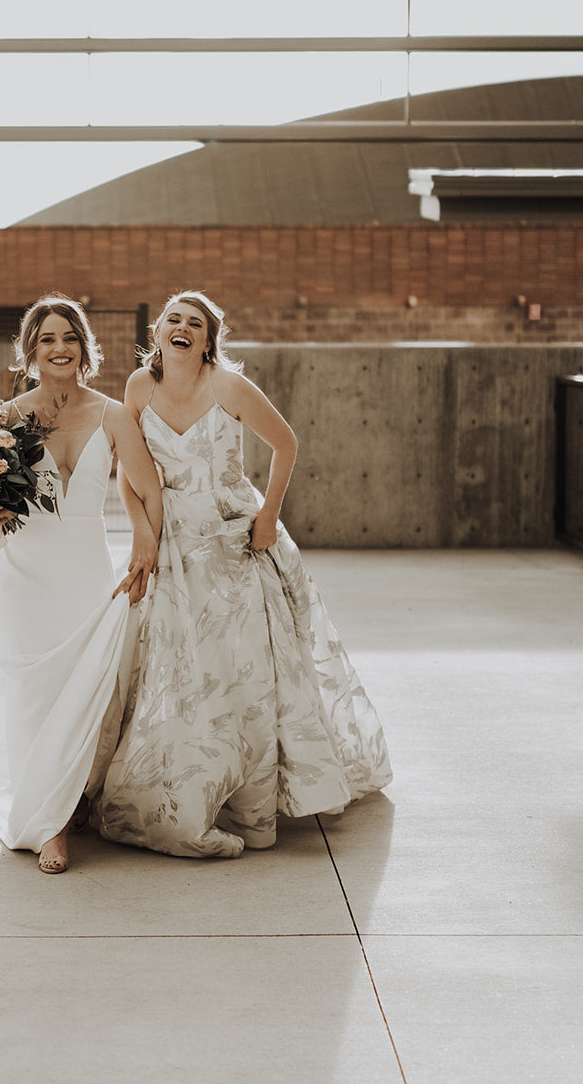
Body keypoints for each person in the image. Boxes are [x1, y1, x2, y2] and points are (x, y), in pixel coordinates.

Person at [96, 291, 391, 859]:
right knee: (174, 663)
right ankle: (182, 782)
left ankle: (248, 798)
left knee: (240, 664)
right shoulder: (137, 388)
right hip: (169, 537)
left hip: (232, 535)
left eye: (196, 323)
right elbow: (129, 472)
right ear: (158, 332)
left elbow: (286, 443)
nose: (183, 328)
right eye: (174, 319)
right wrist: (141, 532)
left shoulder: (228, 387)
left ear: (209, 340)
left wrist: (268, 517)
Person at [0, 295, 162, 875]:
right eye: (47, 339)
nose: (59, 348)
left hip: (87, 575)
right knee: (33, 698)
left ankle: (70, 796)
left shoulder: (113, 415)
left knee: (84, 695)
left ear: (84, 347)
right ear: (30, 351)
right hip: (24, 577)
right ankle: (48, 827)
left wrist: (145, 543)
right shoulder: (3, 419)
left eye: (69, 337)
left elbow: (149, 490)